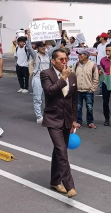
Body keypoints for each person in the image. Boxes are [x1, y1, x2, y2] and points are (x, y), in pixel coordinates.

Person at [40, 49, 81, 198]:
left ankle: (54, 181)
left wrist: (74, 120)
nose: (65, 62)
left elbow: (74, 100)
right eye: (61, 59)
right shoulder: (46, 74)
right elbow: (50, 91)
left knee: (59, 151)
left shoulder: (73, 75)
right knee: (61, 151)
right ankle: (70, 186)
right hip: (53, 118)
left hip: (67, 119)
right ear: (53, 61)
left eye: (66, 59)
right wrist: (62, 78)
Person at [25, 30, 60, 123]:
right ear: (38, 47)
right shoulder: (35, 55)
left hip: (47, 79)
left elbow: (57, 47)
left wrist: (58, 36)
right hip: (37, 78)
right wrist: (28, 37)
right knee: (38, 98)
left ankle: (47, 114)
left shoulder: (48, 54)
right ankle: (39, 116)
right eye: (41, 46)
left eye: (44, 46)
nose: (43, 48)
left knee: (47, 98)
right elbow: (28, 47)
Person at [73, 50, 99, 129]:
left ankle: (90, 122)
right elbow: (72, 76)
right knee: (78, 108)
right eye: (79, 55)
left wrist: (92, 89)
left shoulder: (92, 65)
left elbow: (96, 78)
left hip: (88, 91)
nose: (79, 56)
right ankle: (79, 122)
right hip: (78, 91)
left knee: (90, 107)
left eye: (81, 54)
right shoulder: (77, 65)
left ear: (86, 56)